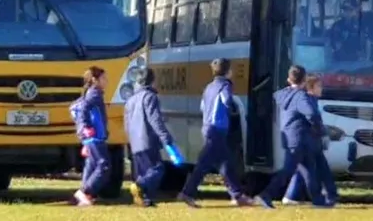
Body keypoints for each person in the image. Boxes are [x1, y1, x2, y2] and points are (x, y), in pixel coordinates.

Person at [177, 58, 251, 208]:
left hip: (208, 127)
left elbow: (202, 107)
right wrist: (231, 110)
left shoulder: (209, 87)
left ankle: (237, 195)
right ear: (228, 72)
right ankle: (187, 193)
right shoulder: (225, 86)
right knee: (204, 164)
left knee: (225, 163)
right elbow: (226, 101)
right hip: (217, 129)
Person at [256, 65, 325, 209]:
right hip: (299, 138)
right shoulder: (300, 96)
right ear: (304, 79)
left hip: (290, 136)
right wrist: (319, 129)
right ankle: (265, 195)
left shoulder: (283, 94)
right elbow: (312, 114)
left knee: (309, 169)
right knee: (288, 171)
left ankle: (318, 200)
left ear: (289, 79)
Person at [123, 67, 184, 207]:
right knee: (157, 169)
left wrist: (130, 139)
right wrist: (166, 139)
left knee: (143, 172)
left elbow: (127, 123)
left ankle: (143, 199)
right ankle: (140, 186)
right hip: (147, 140)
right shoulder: (150, 97)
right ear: (152, 81)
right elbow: (155, 121)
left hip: (135, 142)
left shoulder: (130, 100)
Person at [282, 74, 338, 207]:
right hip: (307, 140)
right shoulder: (307, 100)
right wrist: (323, 132)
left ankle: (291, 196)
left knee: (307, 169)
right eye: (319, 86)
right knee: (312, 170)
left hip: (310, 140)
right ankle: (325, 197)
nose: (321, 89)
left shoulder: (310, 99)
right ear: (310, 88)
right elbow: (312, 117)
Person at [71, 66, 110, 207]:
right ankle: (85, 191)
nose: (106, 81)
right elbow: (84, 110)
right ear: (95, 80)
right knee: (103, 166)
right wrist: (86, 127)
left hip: (92, 137)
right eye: (104, 78)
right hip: (95, 136)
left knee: (91, 165)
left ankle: (85, 196)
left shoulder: (92, 93)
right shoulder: (94, 94)